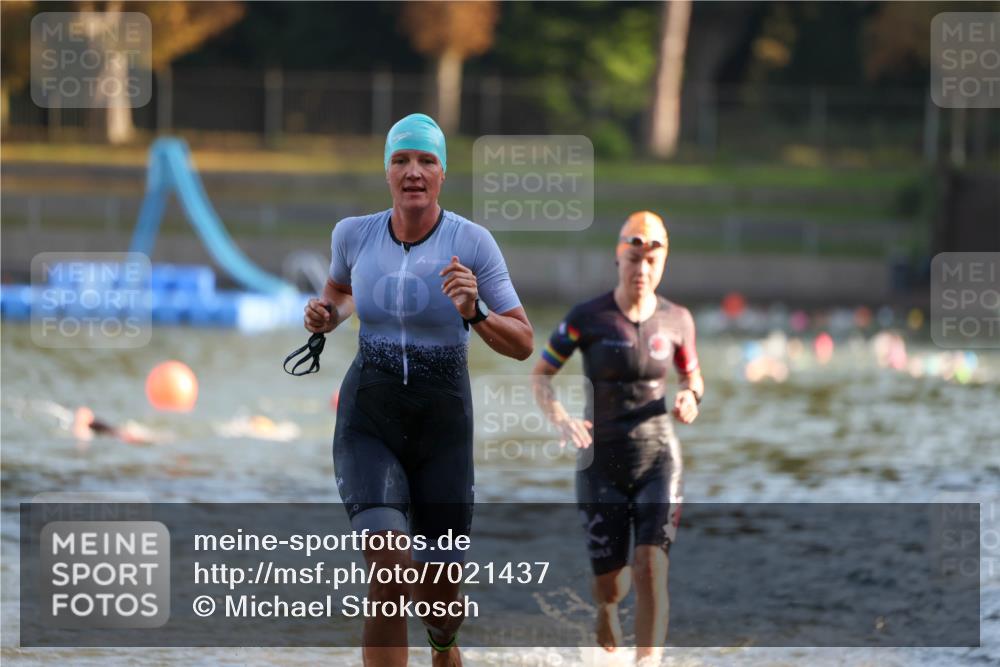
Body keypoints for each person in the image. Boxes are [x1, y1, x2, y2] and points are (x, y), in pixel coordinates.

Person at [303, 113, 533, 667]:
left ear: (442, 173)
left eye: (426, 160)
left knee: (440, 602)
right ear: (386, 171)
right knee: (388, 567)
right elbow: (338, 293)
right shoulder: (352, 234)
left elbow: (524, 341)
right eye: (402, 160)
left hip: (443, 432)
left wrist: (474, 311)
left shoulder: (471, 243)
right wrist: (324, 316)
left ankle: (443, 645)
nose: (414, 172)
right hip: (370, 420)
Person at [531, 211, 704, 665]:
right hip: (600, 462)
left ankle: (647, 662)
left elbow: (693, 377)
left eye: (651, 260)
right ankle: (605, 607)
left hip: (659, 459)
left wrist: (690, 396)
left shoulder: (678, 320)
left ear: (663, 261)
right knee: (613, 584)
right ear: (619, 257)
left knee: (652, 566)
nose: (641, 271)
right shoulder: (587, 317)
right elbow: (541, 376)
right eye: (633, 259)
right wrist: (561, 418)